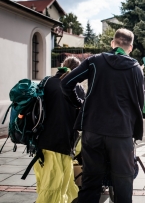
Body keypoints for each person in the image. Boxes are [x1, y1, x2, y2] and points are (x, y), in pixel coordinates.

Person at [60, 28, 144, 203]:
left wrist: (79, 104)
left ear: (113, 43)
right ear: (131, 47)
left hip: (93, 129)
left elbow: (66, 83)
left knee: (91, 182)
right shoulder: (135, 68)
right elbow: (139, 103)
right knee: (123, 184)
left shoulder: (95, 61)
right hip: (121, 133)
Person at [34, 56, 85, 203]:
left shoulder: (47, 82)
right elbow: (81, 115)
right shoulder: (76, 87)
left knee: (48, 180)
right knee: (55, 184)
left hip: (43, 140)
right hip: (63, 141)